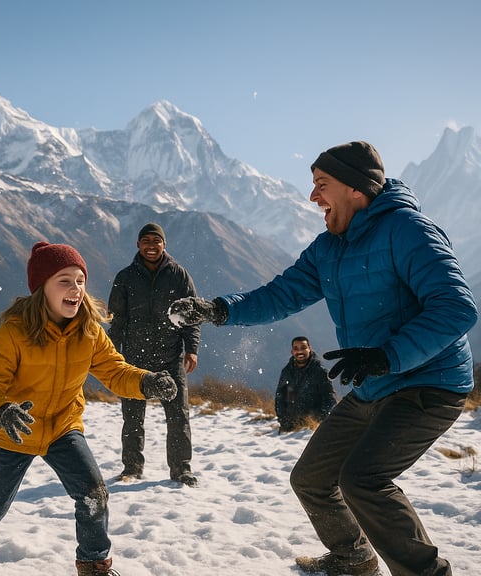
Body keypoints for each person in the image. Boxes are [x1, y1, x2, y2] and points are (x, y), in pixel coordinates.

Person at [168, 141, 477, 576]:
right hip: (373, 382)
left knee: (363, 480)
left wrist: (388, 356)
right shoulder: (329, 247)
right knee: (312, 478)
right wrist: (218, 309)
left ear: (356, 189)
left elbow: (458, 308)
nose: (313, 197)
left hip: (429, 383)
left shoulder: (408, 231)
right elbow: (282, 294)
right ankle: (353, 557)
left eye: (321, 185)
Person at [0, 241, 178, 576]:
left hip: (64, 427)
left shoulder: (89, 331)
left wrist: (146, 382)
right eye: (64, 280)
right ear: (41, 288)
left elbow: (114, 370)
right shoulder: (14, 333)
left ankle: (94, 566)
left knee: (94, 495)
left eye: (80, 281)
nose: (75, 289)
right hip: (15, 430)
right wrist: (3, 411)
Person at [108, 222, 201, 486]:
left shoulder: (179, 275)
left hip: (170, 359)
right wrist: (111, 355)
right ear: (138, 245)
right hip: (134, 362)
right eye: (146, 241)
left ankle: (181, 469)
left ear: (164, 245)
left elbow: (192, 315)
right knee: (133, 419)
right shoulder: (125, 277)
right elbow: (117, 320)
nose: (151, 246)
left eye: (156, 241)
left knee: (178, 415)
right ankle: (132, 468)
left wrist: (192, 349)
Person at [275, 336, 337, 434]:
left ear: (309, 349)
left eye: (303, 347)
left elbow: (330, 398)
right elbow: (280, 397)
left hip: (311, 429)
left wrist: (318, 420)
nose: (300, 351)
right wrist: (283, 420)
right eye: (296, 348)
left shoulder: (319, 371)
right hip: (290, 429)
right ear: (292, 351)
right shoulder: (287, 371)